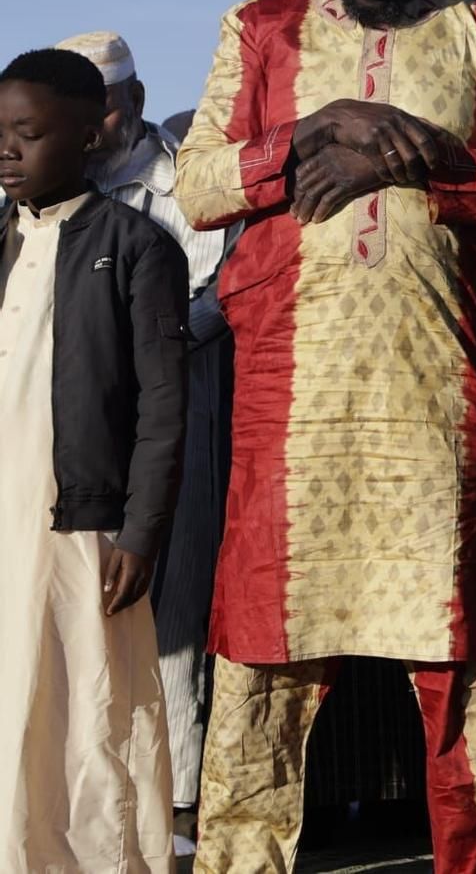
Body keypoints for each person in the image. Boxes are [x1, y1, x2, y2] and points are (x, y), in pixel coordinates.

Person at [176, 0, 476, 873]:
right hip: (290, 402)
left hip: (440, 391)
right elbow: (200, 184)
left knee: (464, 656)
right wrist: (315, 129)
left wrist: (425, 149)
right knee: (264, 649)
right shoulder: (260, 27)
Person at [0, 47, 188, 873]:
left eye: (27, 133)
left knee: (89, 712)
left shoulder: (137, 244)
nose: (6, 151)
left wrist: (140, 531)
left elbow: (162, 404)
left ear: (87, 134)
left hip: (84, 521)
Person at [55, 29, 233, 838]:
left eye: (102, 109)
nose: (91, 129)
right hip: (78, 421)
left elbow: (218, 295)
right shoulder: (53, 192)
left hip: (180, 402)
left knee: (175, 608)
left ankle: (177, 800)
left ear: (132, 102)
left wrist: (141, 351)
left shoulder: (188, 179)